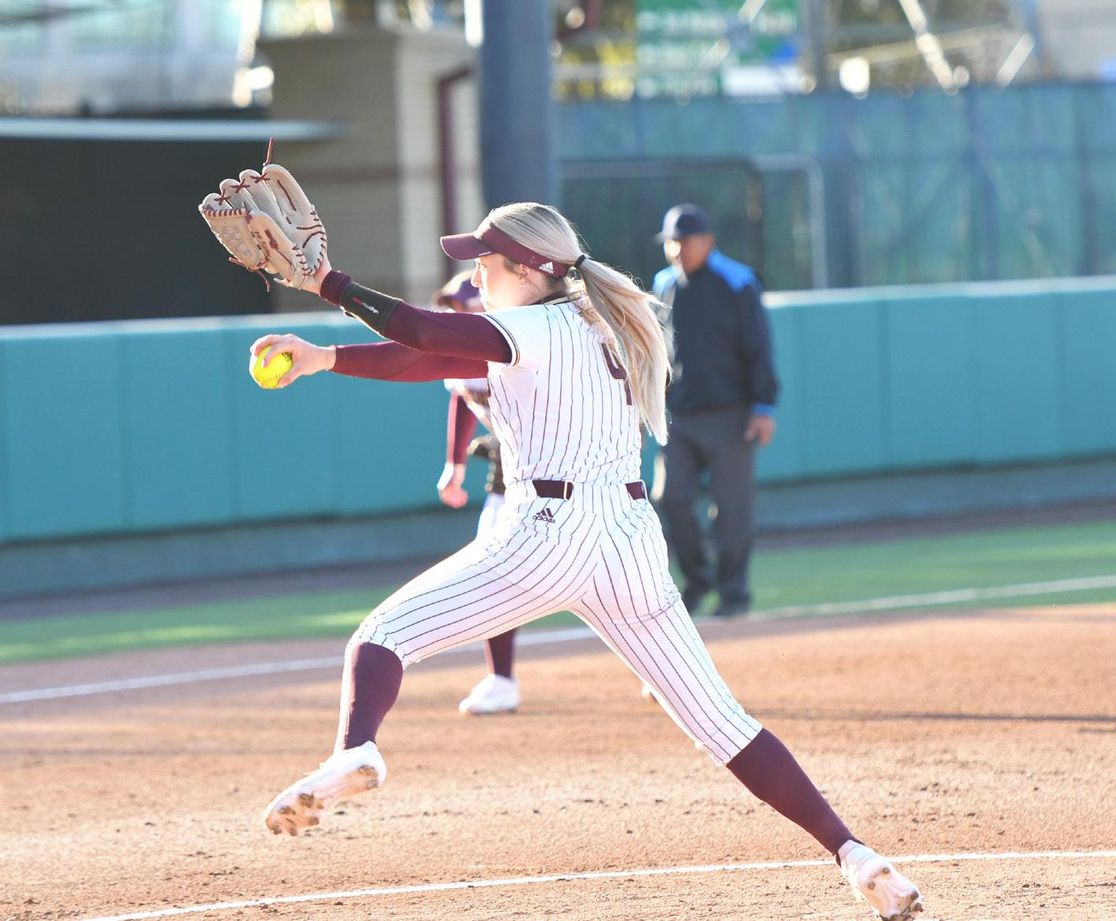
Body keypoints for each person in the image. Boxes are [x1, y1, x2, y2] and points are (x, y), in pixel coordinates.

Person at [250, 202, 923, 920]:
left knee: (381, 638)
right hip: (629, 537)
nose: (474, 268)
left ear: (528, 269)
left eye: (486, 257)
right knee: (725, 723)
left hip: (547, 531)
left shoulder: (531, 325)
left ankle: (357, 750)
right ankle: (857, 856)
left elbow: (422, 329)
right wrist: (326, 358)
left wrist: (329, 282)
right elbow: (432, 357)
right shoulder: (601, 319)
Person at [652, 204, 779, 619]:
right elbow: (656, 353)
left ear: (707, 241)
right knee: (669, 498)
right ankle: (697, 579)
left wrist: (762, 406)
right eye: (671, 241)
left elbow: (758, 348)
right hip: (679, 416)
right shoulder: (664, 284)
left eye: (684, 241)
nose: (676, 249)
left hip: (731, 415)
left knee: (731, 510)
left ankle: (733, 593)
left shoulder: (737, 281)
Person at [432, 272, 520, 715]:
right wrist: (455, 465)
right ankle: (501, 678)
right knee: (492, 564)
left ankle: (666, 672)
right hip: (518, 472)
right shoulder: (459, 353)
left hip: (562, 472)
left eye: (460, 307)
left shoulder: (512, 344)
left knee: (613, 578)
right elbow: (460, 397)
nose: (451, 315)